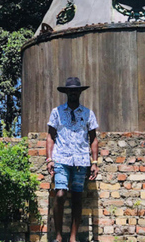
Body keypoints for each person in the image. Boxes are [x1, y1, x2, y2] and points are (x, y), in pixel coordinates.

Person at [46, 77, 99, 242]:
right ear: (66, 92)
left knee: (77, 197)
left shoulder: (88, 113)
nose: (73, 92)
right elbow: (50, 136)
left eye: (76, 90)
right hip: (61, 158)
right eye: (70, 90)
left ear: (80, 92)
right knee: (60, 195)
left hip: (81, 160)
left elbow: (94, 138)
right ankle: (59, 236)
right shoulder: (57, 112)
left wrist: (95, 162)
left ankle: (73, 238)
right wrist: (49, 159)